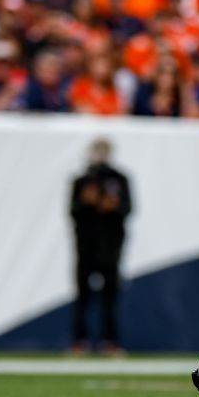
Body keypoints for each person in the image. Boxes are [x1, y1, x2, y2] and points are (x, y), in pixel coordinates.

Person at [70, 138, 132, 355]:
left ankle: (110, 341)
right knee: (83, 295)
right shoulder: (82, 180)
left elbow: (127, 208)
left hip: (110, 246)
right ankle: (79, 340)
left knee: (110, 295)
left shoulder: (119, 179)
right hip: (86, 245)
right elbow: (73, 211)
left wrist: (111, 207)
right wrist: (87, 203)